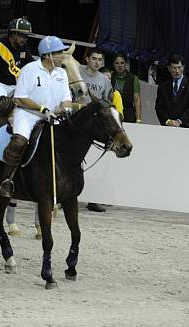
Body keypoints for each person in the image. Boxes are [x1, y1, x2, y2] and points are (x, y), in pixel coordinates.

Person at [0, 36, 73, 198]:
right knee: (19, 141)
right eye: (59, 52)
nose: (62, 55)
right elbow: (19, 98)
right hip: (27, 114)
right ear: (47, 55)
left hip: (52, 116)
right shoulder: (30, 69)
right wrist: (42, 108)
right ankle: (7, 180)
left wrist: (65, 108)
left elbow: (67, 98)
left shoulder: (62, 73)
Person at [79, 50, 113, 213]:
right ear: (87, 59)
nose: (97, 62)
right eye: (94, 59)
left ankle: (94, 198)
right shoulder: (77, 72)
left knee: (95, 161)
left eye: (100, 59)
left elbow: (108, 101)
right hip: (76, 120)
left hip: (94, 124)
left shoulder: (104, 80)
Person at [0, 18, 33, 107]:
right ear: (13, 34)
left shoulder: (23, 47)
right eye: (22, 35)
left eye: (26, 36)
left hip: (15, 85)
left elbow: (31, 64)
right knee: (4, 106)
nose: (25, 39)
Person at [155, 54, 189, 129]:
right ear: (169, 68)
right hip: (167, 127)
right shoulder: (163, 86)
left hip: (186, 127)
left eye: (179, 67)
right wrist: (167, 121)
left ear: (183, 67)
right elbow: (159, 107)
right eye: (174, 68)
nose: (177, 71)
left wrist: (179, 121)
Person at [111, 52, 142, 123]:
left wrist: (139, 119)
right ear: (113, 64)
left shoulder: (133, 78)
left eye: (122, 63)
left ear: (125, 64)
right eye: (117, 63)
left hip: (128, 113)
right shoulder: (110, 76)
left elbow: (137, 100)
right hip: (112, 112)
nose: (120, 65)